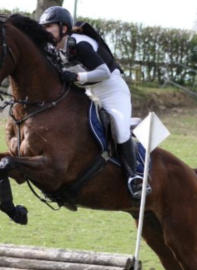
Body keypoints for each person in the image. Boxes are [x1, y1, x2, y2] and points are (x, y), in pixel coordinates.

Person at [40, 6, 148, 199]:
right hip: (90, 92)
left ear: (63, 28)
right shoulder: (56, 49)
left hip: (112, 90)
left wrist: (76, 76)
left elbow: (104, 72)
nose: (45, 31)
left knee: (119, 128)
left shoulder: (80, 44)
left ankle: (135, 176)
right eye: (43, 27)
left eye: (49, 27)